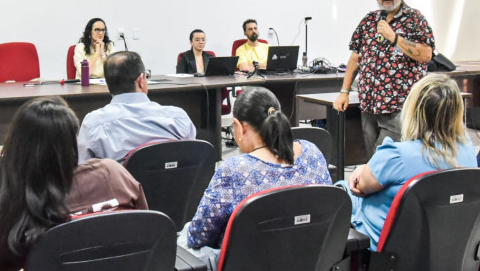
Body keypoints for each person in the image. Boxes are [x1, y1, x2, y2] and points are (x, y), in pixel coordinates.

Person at [0, 96, 147, 271]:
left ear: (16, 147)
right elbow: (147, 230)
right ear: (73, 143)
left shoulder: (6, 211)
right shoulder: (113, 175)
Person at [178, 87, 331, 269]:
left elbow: (198, 236)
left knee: (182, 241)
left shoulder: (234, 170)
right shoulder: (312, 152)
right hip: (308, 257)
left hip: (250, 263)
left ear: (240, 127)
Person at [341, 74, 476, 251]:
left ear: (413, 110)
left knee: (340, 191)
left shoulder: (396, 156)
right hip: (446, 248)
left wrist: (362, 169)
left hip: (387, 253)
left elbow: (361, 186)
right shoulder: (467, 149)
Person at [333, 0, 435, 159]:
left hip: (399, 105)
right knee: (373, 157)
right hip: (369, 104)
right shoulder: (369, 20)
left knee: (389, 158)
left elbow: (426, 54)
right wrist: (344, 92)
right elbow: (356, 58)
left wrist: (394, 37)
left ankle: (396, 188)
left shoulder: (415, 19)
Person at [77, 51, 196, 164]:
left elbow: (83, 173)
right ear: (140, 81)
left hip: (120, 186)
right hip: (175, 185)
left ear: (108, 84)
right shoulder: (178, 118)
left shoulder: (94, 124)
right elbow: (194, 160)